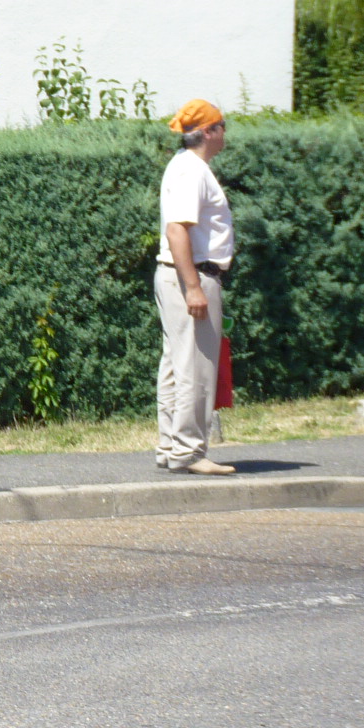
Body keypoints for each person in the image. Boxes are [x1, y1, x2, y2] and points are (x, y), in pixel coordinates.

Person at [153, 98, 235, 476]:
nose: (225, 132)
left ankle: (171, 445)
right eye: (221, 125)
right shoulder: (193, 170)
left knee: (176, 364)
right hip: (192, 275)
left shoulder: (183, 165)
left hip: (177, 274)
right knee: (196, 368)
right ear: (207, 132)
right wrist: (194, 287)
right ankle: (189, 451)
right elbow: (177, 230)